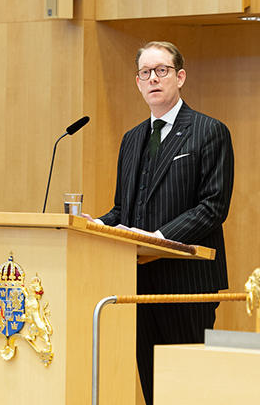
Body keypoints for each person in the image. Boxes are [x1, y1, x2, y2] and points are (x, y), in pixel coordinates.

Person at [84, 41, 234, 405]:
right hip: (137, 284)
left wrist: (159, 239)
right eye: (145, 73)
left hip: (187, 284)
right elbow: (124, 209)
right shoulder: (132, 139)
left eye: (162, 70)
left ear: (180, 77)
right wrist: (96, 225)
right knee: (153, 390)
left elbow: (213, 207)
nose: (154, 78)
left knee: (188, 391)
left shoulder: (209, 131)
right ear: (137, 83)